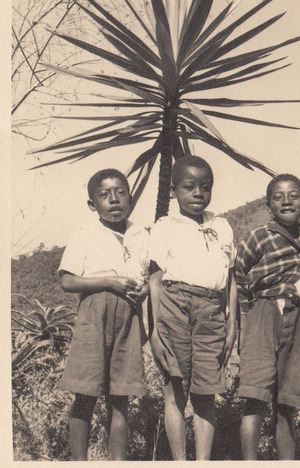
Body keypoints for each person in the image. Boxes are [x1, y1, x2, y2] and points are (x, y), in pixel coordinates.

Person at [149, 155, 238, 460]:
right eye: (189, 187)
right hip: (174, 305)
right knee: (175, 390)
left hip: (212, 310)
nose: (198, 193)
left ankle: (203, 462)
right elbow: (156, 281)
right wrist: (154, 332)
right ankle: (179, 462)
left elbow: (231, 280)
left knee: (205, 394)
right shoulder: (164, 227)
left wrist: (231, 327)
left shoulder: (222, 226)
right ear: (173, 191)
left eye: (205, 187)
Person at [58, 168, 149, 460]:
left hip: (129, 317)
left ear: (130, 197)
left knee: (120, 398)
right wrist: (109, 281)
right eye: (104, 194)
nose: (114, 200)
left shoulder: (140, 234)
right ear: (92, 204)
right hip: (93, 317)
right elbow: (67, 281)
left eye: (121, 192)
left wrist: (143, 292)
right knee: (85, 395)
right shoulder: (86, 234)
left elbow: (149, 279)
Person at [235, 174, 300, 460]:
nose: (286, 201)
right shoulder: (258, 236)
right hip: (262, 313)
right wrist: (249, 313)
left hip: (298, 318)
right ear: (268, 205)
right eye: (278, 196)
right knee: (255, 396)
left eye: (294, 195)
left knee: (288, 401)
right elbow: (238, 274)